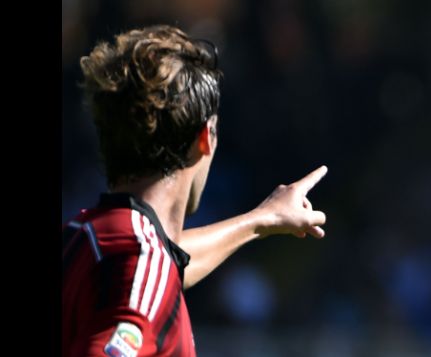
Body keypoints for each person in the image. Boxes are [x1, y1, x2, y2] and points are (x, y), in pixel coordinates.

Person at [62, 25, 328, 357]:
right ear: (204, 138)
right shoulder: (143, 263)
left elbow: (167, 260)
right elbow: (148, 270)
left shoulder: (83, 239)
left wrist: (262, 219)